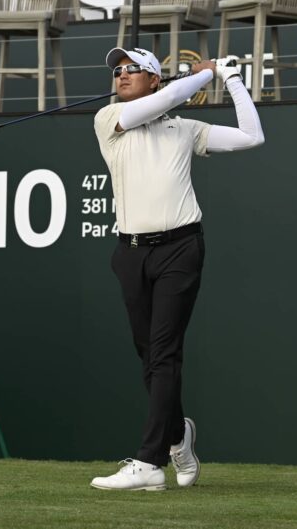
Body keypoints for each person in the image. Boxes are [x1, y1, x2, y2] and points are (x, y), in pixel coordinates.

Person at [90, 48, 264, 491]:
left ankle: (150, 464)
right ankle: (177, 438)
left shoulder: (184, 129)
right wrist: (201, 77)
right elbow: (164, 102)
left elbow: (251, 136)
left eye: (132, 69)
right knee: (150, 357)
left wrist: (230, 79)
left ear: (153, 78)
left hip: (180, 248)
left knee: (165, 353)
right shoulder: (110, 119)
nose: (121, 75)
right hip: (130, 253)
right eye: (117, 70)